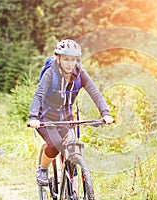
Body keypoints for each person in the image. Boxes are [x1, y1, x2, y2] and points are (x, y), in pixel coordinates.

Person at [28, 39, 114, 186]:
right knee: (54, 145)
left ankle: (69, 187)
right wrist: (33, 117)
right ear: (58, 58)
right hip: (45, 117)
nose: (69, 63)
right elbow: (39, 94)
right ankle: (42, 169)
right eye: (66, 59)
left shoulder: (80, 74)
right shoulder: (51, 73)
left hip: (66, 117)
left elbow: (95, 94)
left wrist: (105, 113)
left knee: (72, 146)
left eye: (73, 60)